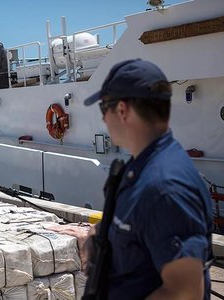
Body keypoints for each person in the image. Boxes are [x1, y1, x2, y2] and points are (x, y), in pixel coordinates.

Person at [83, 59, 213, 299]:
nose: (103, 119)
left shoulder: (164, 188)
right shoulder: (142, 167)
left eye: (104, 109)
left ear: (122, 110)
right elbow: (140, 226)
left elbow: (184, 292)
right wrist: (99, 234)